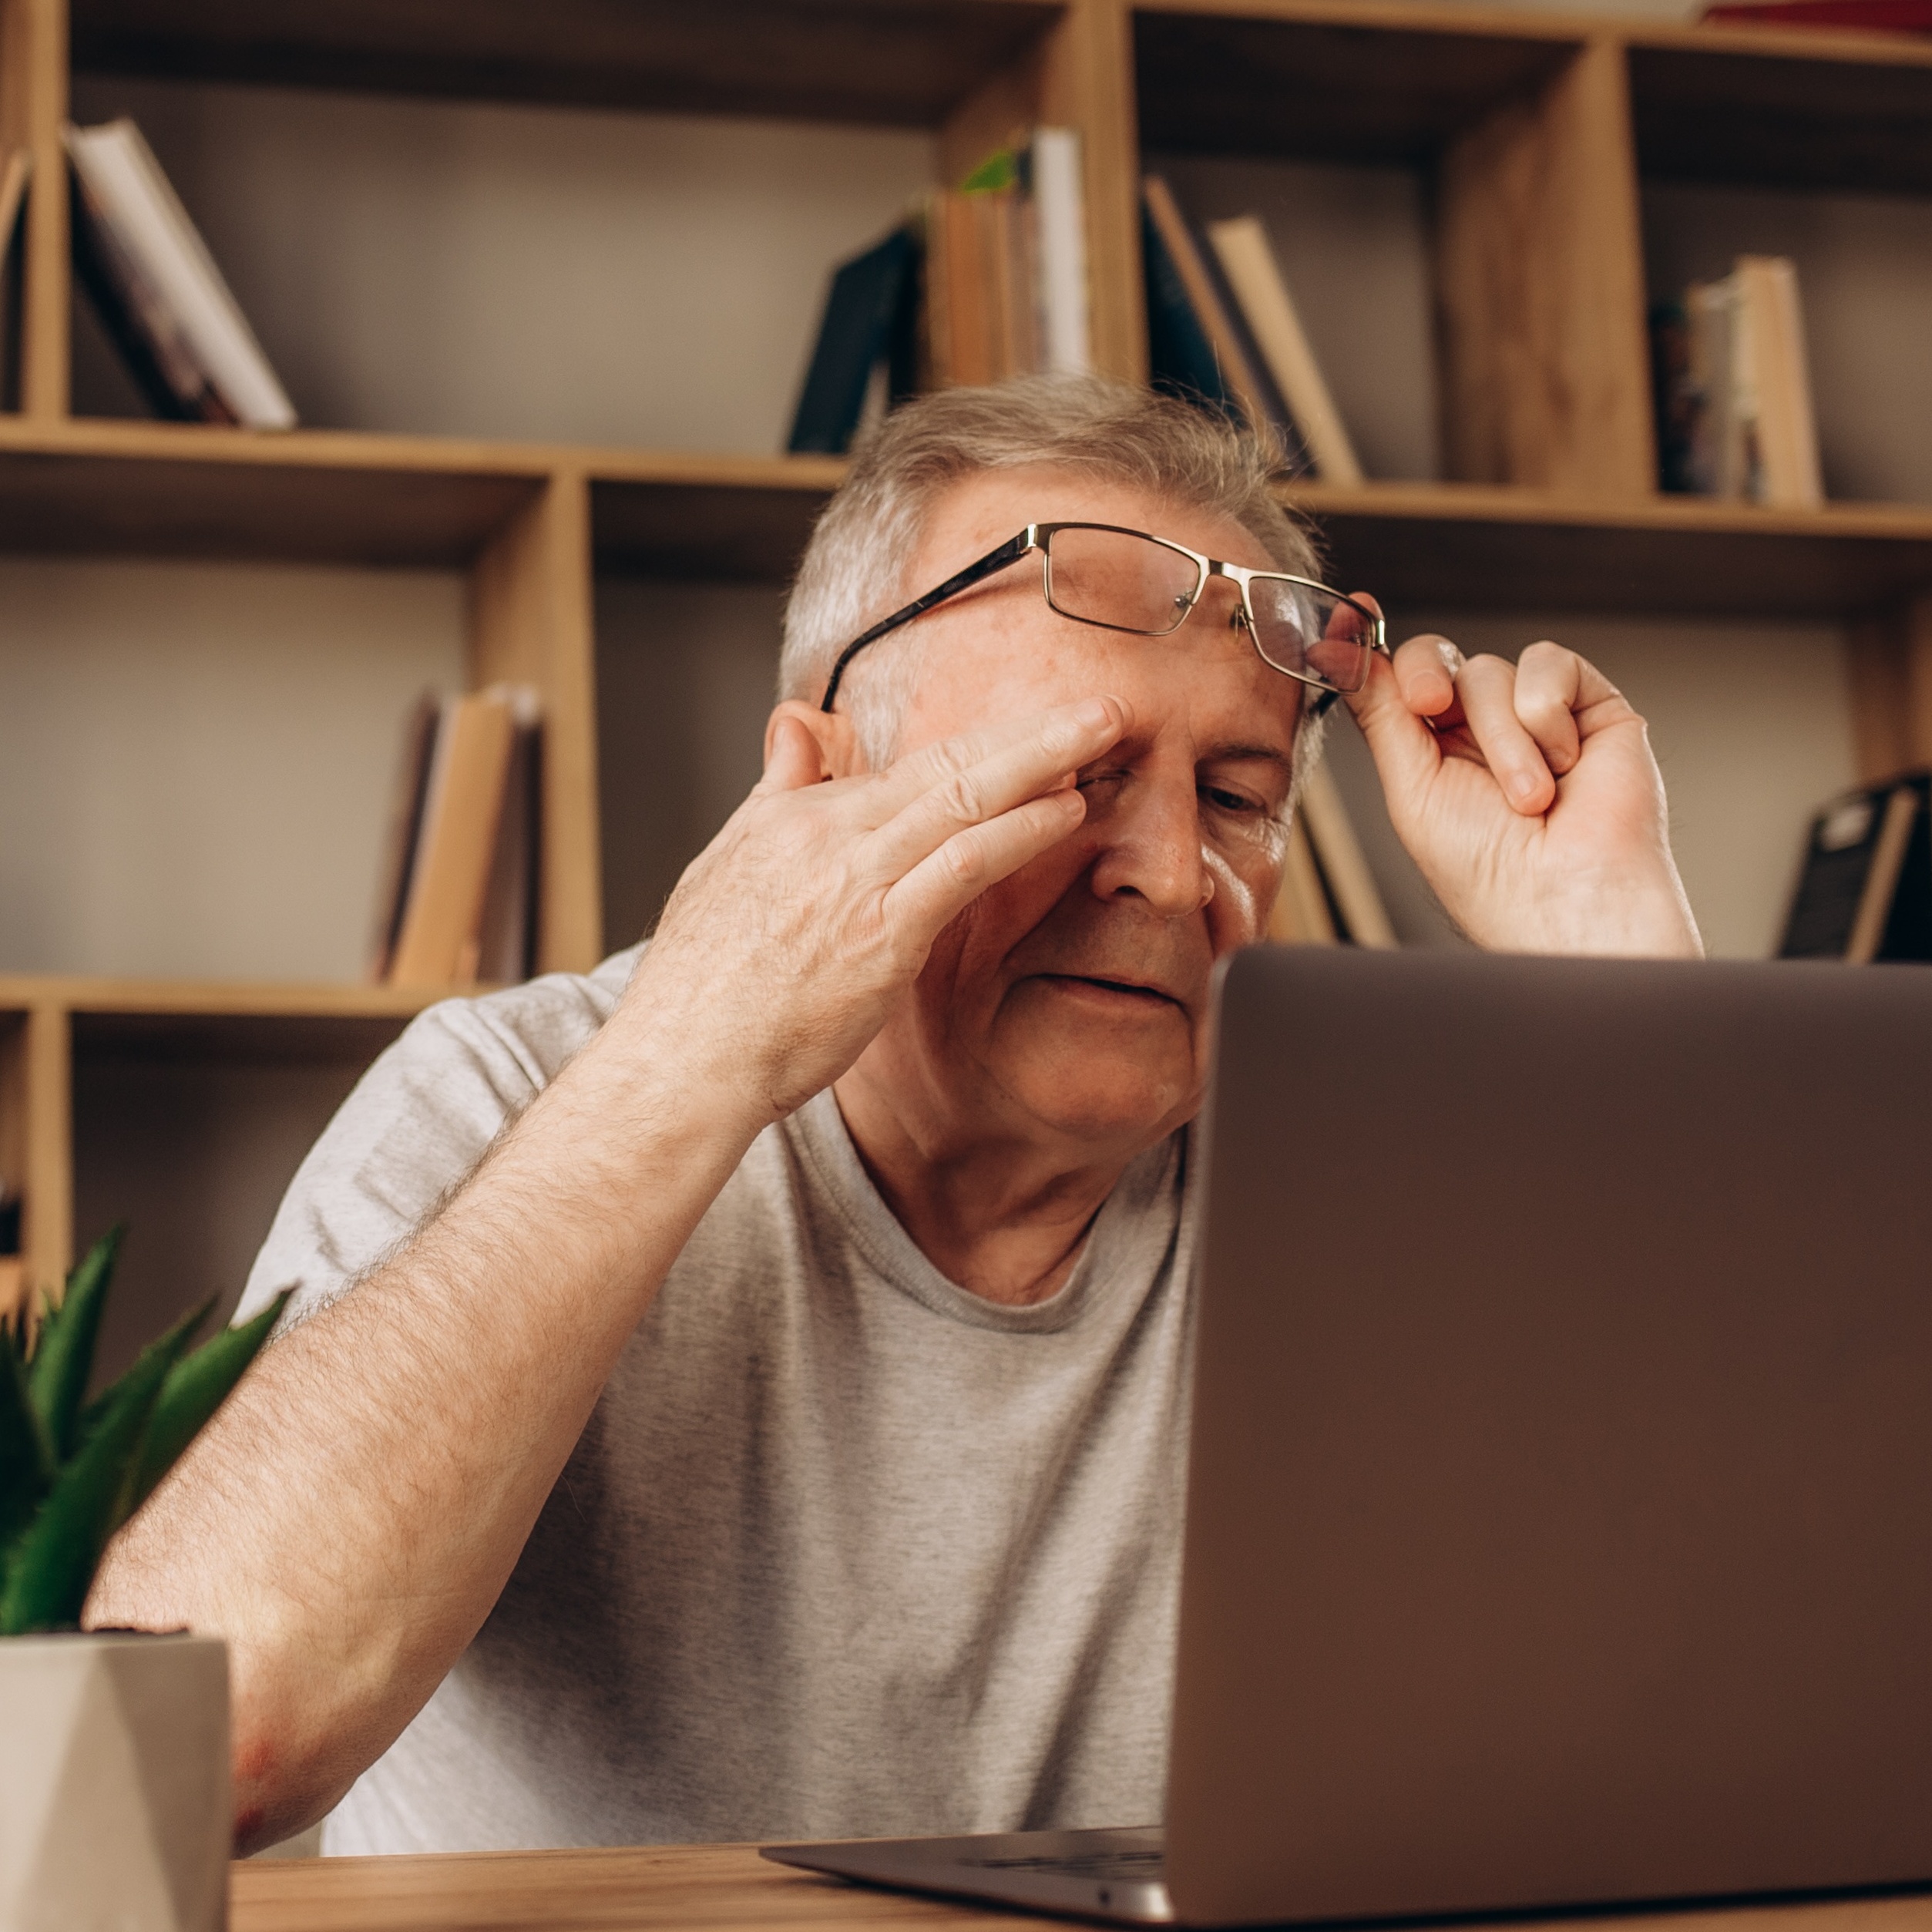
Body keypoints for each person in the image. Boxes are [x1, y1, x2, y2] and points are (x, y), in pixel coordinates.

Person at [89, 377, 1701, 1856]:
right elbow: (203, 1739)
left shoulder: (1363, 1186)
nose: (1160, 870)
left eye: (1232, 797)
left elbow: (1775, 1653)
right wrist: (700, 1050)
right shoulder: (507, 1095)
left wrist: (1631, 994)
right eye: (1067, 776)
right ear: (819, 786)